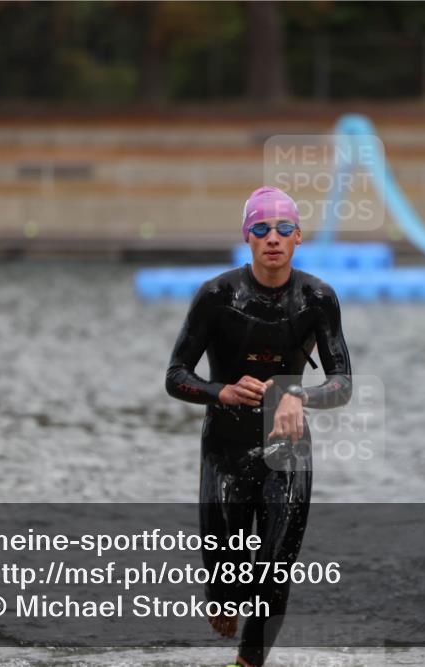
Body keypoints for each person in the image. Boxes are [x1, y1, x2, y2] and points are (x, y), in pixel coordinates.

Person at [165, 186, 352, 667]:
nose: (273, 237)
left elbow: (343, 383)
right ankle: (223, 591)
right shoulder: (217, 296)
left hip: (286, 444)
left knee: (276, 567)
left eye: (284, 228)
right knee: (227, 577)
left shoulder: (317, 298)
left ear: (298, 237)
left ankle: (247, 663)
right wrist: (218, 391)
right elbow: (175, 376)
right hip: (224, 446)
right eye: (262, 228)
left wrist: (298, 395)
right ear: (247, 236)